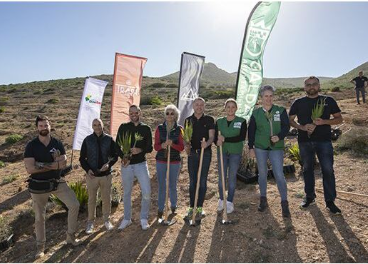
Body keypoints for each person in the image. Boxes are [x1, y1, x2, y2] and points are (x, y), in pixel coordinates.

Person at [24, 115, 81, 259]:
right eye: (41, 125)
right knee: (39, 217)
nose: (44, 128)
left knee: (74, 204)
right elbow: (30, 168)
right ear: (37, 127)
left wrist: (41, 164)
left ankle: (70, 237)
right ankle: (40, 247)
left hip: (57, 181)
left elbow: (64, 162)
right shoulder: (31, 146)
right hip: (38, 185)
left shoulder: (57, 143)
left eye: (46, 125)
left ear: (50, 126)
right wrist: (53, 165)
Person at [289, 76, 343, 214]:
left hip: (324, 141)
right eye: (308, 85)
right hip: (304, 141)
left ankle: (330, 201)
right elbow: (290, 120)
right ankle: (309, 197)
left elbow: (339, 119)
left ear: (319, 86)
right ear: (304, 87)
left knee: (328, 170)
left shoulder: (328, 100)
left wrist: (323, 122)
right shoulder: (298, 102)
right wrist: (301, 127)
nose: (311, 87)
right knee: (307, 169)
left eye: (314, 84)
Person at [248, 86, 291, 217]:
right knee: (262, 174)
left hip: (276, 148)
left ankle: (284, 202)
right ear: (261, 98)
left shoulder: (281, 110)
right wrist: (251, 147)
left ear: (273, 96)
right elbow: (251, 131)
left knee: (279, 174)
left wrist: (279, 136)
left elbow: (286, 126)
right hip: (260, 147)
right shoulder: (256, 113)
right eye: (266, 96)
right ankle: (263, 199)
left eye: (271, 96)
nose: (268, 98)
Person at [116, 105, 153, 230]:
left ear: (139, 113)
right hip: (127, 166)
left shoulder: (146, 128)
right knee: (127, 193)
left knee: (146, 192)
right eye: (130, 113)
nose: (133, 114)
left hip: (141, 164)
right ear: (129, 114)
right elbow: (117, 146)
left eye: (135, 112)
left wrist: (140, 150)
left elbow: (150, 148)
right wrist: (123, 158)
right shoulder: (123, 127)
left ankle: (144, 218)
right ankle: (127, 219)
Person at [79, 118, 118, 234]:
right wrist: (88, 170)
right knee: (92, 200)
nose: (97, 127)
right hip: (92, 176)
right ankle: (90, 222)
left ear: (102, 125)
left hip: (106, 175)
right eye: (95, 125)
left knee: (106, 199)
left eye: (99, 125)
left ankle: (106, 220)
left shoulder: (109, 139)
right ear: (92, 126)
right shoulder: (87, 140)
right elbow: (82, 158)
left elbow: (115, 156)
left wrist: (109, 164)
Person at [184, 97, 215, 218]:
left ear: (204, 106)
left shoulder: (209, 119)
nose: (199, 107)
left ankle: (200, 208)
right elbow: (186, 138)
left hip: (205, 154)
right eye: (197, 105)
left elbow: (212, 137)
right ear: (193, 106)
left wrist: (206, 143)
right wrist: (186, 145)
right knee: (192, 182)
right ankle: (192, 207)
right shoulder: (188, 120)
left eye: (201, 105)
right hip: (192, 154)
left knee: (202, 181)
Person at [215, 99, 247, 214]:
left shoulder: (242, 121)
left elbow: (241, 137)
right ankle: (221, 199)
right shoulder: (219, 122)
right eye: (228, 107)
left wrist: (225, 139)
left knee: (232, 177)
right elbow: (216, 138)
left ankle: (229, 201)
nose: (230, 109)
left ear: (236, 108)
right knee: (221, 177)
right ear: (225, 108)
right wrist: (217, 142)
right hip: (222, 152)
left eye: (233, 107)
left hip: (235, 152)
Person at [154, 104, 184, 219]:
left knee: (172, 185)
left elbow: (181, 148)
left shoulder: (179, 129)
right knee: (162, 186)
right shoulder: (159, 128)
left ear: (176, 115)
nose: (170, 115)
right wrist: (162, 145)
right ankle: (160, 209)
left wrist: (173, 145)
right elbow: (155, 147)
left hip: (174, 161)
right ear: (165, 115)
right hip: (161, 160)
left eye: (172, 113)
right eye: (167, 113)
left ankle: (173, 206)